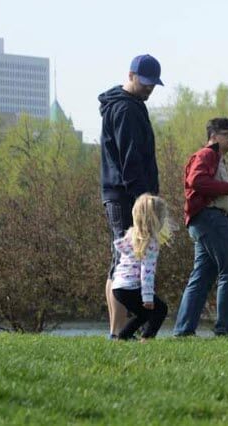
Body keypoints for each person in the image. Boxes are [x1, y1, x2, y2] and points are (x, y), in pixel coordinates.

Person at [99, 54, 163, 339]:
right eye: (145, 82)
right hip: (126, 194)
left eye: (153, 83)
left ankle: (118, 331)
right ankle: (117, 333)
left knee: (120, 260)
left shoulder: (133, 105)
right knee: (123, 261)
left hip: (127, 192)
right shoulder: (125, 109)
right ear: (131, 75)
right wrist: (143, 199)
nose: (150, 87)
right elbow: (130, 159)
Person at [173, 118, 228, 337]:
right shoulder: (207, 154)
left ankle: (183, 331)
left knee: (202, 276)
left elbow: (218, 198)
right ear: (214, 136)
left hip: (207, 219)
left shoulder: (220, 160)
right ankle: (225, 328)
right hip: (209, 219)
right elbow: (196, 182)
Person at [111, 194, 174, 341]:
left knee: (144, 314)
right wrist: (147, 297)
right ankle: (146, 338)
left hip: (118, 286)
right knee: (160, 309)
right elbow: (147, 272)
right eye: (162, 218)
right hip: (131, 287)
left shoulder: (132, 235)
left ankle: (124, 336)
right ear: (155, 219)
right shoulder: (150, 243)